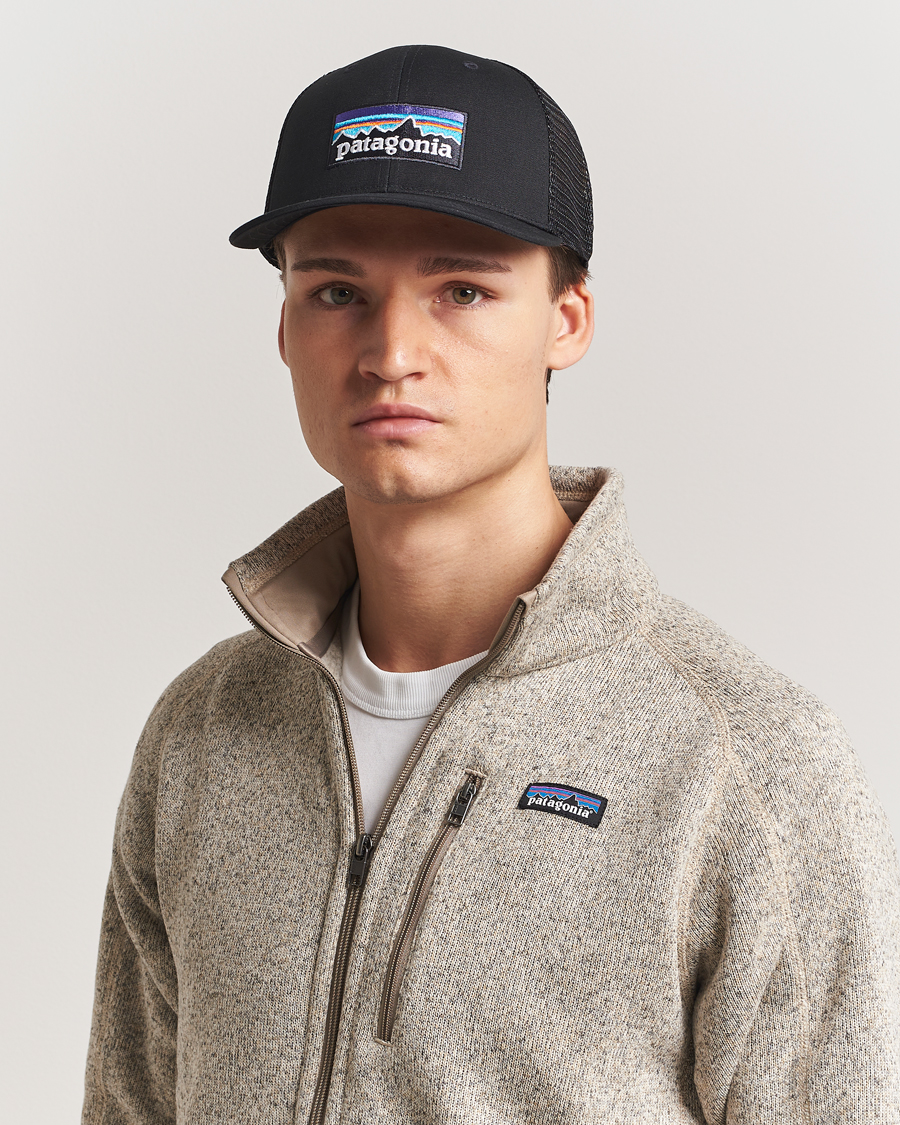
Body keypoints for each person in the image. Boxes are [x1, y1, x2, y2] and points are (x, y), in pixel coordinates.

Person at [82, 44, 900, 1125]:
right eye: (337, 291)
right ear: (284, 327)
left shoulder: (746, 763)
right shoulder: (205, 730)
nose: (391, 352)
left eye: (462, 290)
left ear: (567, 319)